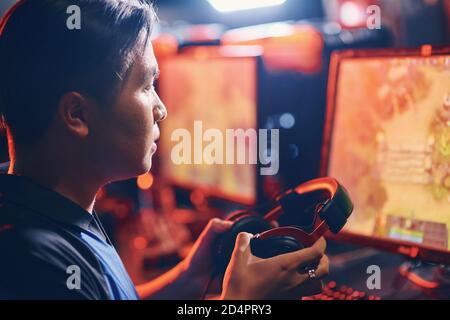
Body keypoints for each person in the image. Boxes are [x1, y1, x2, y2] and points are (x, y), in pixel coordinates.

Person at [0, 0, 329, 300]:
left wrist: (189, 278)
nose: (160, 109)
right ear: (78, 115)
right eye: (146, 86)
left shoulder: (48, 210)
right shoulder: (31, 265)